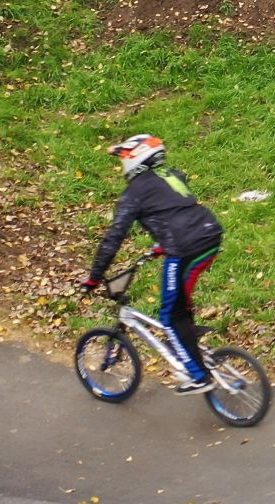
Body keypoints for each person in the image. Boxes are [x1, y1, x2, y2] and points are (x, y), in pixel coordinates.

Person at [82, 134, 225, 394]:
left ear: (135, 159)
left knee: (169, 316)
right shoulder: (170, 176)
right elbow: (174, 210)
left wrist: (94, 277)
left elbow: (114, 238)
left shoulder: (135, 193)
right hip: (210, 235)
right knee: (181, 300)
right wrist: (162, 244)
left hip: (184, 249)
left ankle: (199, 376)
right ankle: (189, 334)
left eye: (124, 158)